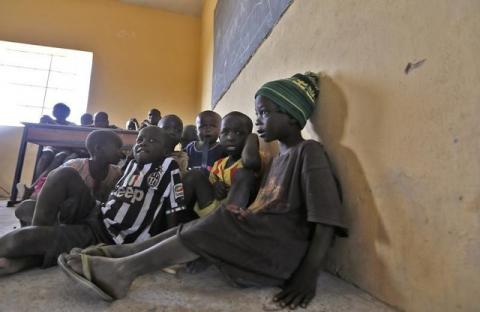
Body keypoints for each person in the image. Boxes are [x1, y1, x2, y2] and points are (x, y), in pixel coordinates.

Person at [59, 72, 347, 309]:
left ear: (293, 117)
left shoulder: (309, 152)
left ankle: (123, 271)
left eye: (264, 113)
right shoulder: (278, 159)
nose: (258, 120)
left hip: (279, 257)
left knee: (221, 219)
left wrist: (307, 277)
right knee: (208, 220)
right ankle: (122, 252)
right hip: (260, 243)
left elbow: (326, 221)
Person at [0, 126, 188, 275]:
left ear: (165, 150)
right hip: (96, 212)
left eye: (152, 140)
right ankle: (43, 242)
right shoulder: (130, 166)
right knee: (63, 174)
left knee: (17, 241)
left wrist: (170, 253)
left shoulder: (168, 166)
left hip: (105, 236)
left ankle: (35, 249)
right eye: (140, 139)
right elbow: (113, 197)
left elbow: (175, 210)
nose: (142, 143)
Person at [15, 130, 124, 227]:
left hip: (89, 215)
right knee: (24, 207)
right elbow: (51, 188)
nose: (122, 153)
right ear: (98, 148)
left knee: (28, 211)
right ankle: (46, 226)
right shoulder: (75, 165)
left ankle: (49, 228)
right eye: (118, 148)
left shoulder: (117, 173)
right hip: (64, 210)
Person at [183, 111, 260, 217]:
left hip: (230, 218)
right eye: (225, 132)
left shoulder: (248, 160)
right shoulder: (219, 164)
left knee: (244, 173)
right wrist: (215, 186)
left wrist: (253, 137)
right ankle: (179, 217)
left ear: (248, 137)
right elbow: (208, 185)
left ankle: (224, 222)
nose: (230, 138)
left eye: (238, 133)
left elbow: (251, 162)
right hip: (213, 210)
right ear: (219, 136)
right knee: (194, 175)